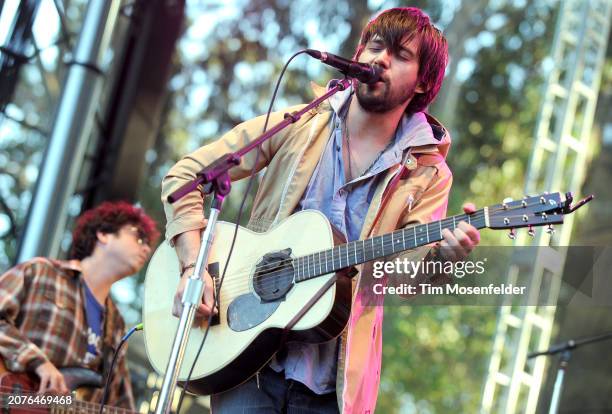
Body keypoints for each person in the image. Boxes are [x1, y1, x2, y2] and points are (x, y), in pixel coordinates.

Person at [161, 7, 480, 413]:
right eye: (375, 47)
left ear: (422, 84)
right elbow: (184, 177)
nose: (379, 59)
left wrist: (442, 260)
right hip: (248, 360)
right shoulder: (300, 124)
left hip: (330, 386)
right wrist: (193, 265)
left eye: (400, 55)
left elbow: (404, 278)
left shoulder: (429, 174)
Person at [0, 201, 158, 410]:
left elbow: (118, 402)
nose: (146, 248)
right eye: (138, 237)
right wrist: (37, 361)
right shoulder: (41, 272)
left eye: (147, 243)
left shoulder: (117, 325)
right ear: (103, 234)